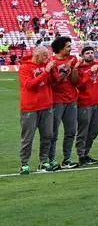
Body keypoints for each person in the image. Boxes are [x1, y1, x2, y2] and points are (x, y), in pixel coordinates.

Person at [18, 46, 56, 174]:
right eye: (45, 55)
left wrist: (52, 70)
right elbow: (29, 85)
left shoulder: (45, 66)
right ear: (37, 55)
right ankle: (24, 164)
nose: (47, 58)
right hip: (30, 107)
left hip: (46, 106)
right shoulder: (25, 67)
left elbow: (54, 81)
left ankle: (43, 161)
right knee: (28, 137)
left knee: (48, 135)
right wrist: (45, 71)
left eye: (48, 55)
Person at [48, 36, 80, 169]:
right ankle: (51, 160)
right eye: (67, 46)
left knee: (71, 131)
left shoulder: (72, 59)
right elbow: (53, 84)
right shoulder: (51, 62)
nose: (70, 48)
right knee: (53, 133)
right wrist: (65, 70)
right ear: (60, 48)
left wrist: (74, 70)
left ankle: (67, 159)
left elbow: (74, 82)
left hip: (71, 99)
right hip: (56, 101)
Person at [75, 45, 98, 166]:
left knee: (93, 131)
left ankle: (86, 153)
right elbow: (79, 85)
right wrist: (90, 72)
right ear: (82, 55)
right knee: (83, 131)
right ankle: (81, 155)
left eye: (91, 53)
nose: (90, 55)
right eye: (87, 53)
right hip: (84, 104)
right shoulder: (79, 68)